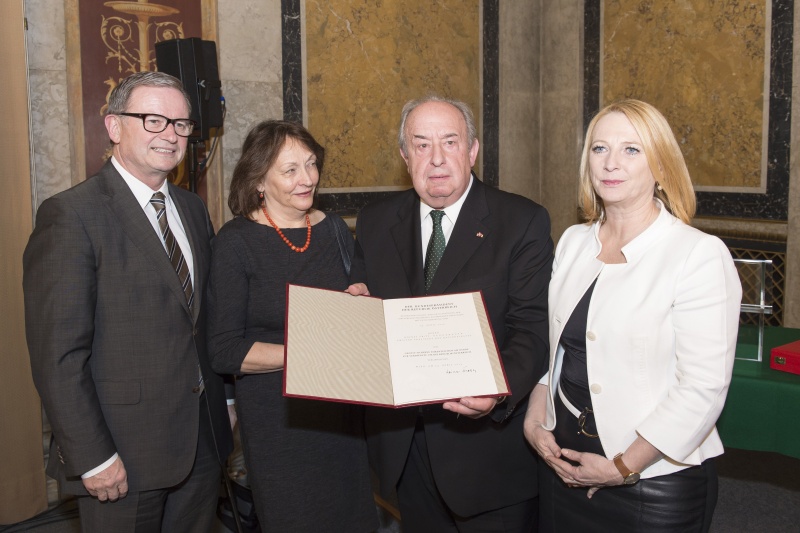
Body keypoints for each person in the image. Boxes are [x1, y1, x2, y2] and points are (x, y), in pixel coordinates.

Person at [23, 71, 234, 532]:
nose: (170, 135)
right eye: (153, 120)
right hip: (122, 454)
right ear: (115, 127)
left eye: (181, 124)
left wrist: (228, 402)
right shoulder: (71, 215)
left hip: (200, 444)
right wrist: (92, 457)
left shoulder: (192, 208)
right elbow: (58, 357)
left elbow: (204, 320)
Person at [523, 99, 742, 532]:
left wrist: (623, 466)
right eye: (599, 149)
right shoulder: (572, 242)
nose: (611, 163)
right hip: (565, 468)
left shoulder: (697, 254)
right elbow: (561, 354)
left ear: (660, 166)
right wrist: (533, 422)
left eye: (631, 150)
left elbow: (702, 388)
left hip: (653, 485)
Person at [347, 95, 554, 532]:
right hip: (404, 450)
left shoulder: (522, 221)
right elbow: (370, 314)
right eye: (421, 145)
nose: (436, 159)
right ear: (405, 157)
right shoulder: (374, 221)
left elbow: (532, 330)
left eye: (450, 142)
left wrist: (496, 391)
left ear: (473, 150)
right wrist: (358, 314)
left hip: (488, 456)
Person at [206, 120, 378, 533]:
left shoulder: (333, 229)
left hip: (340, 409)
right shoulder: (236, 242)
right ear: (258, 180)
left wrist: (362, 301)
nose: (308, 179)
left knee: (352, 519)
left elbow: (354, 305)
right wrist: (306, 354)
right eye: (290, 170)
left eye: (312, 164)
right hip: (278, 421)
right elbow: (225, 350)